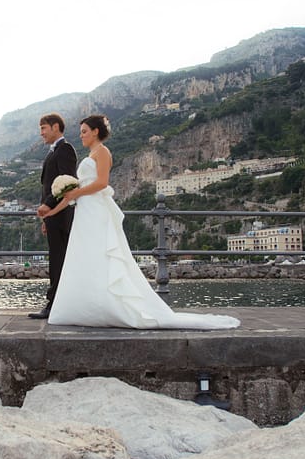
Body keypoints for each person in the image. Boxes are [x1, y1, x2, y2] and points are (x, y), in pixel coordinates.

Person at [42, 115, 240, 330]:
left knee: (101, 254)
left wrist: (75, 193)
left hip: (96, 211)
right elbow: (74, 194)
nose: (81, 136)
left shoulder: (103, 152)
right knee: (86, 256)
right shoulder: (90, 154)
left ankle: (108, 306)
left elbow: (101, 183)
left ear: (96, 132)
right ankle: (91, 305)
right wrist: (52, 211)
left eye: (84, 132)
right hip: (84, 211)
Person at [29, 113, 78, 319]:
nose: (41, 133)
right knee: (56, 258)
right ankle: (58, 302)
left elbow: (67, 183)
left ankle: (53, 304)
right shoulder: (53, 152)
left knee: (58, 259)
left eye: (43, 128)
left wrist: (47, 206)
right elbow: (50, 185)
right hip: (53, 216)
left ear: (56, 127)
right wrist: (46, 217)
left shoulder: (65, 149)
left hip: (61, 215)